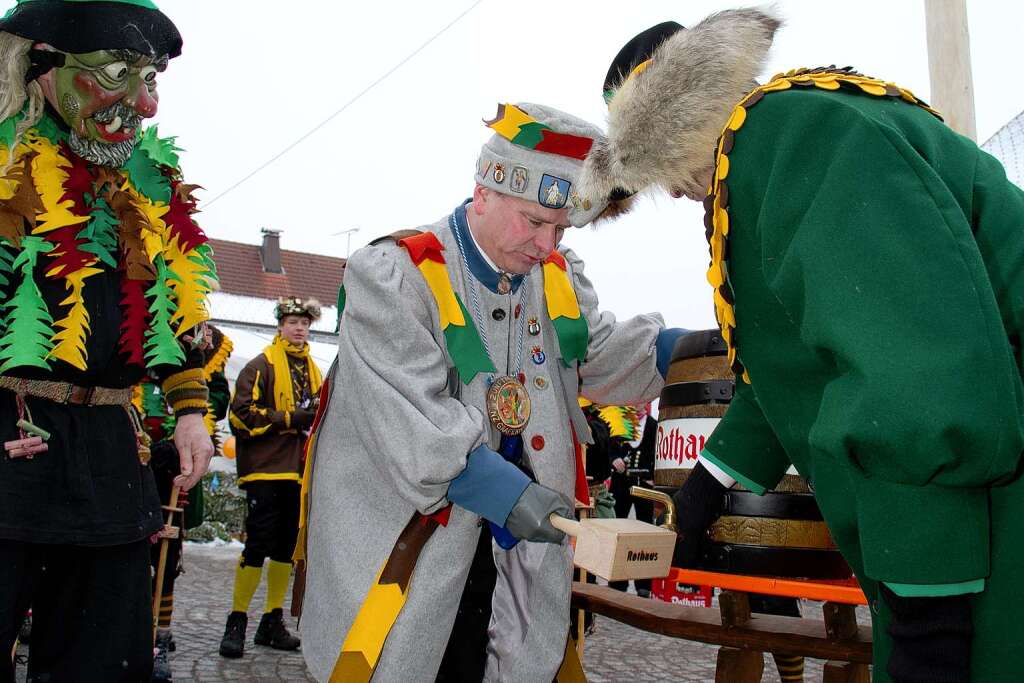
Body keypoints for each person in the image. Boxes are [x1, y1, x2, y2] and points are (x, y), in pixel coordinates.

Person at [579, 9, 1024, 682]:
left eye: (655, 168)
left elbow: (911, 373)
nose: (666, 191)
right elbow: (793, 359)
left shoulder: (793, 136)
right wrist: (711, 482)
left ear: (673, 120)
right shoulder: (767, 147)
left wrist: (930, 596)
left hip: (995, 493)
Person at [299, 102, 684, 682]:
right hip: (410, 549)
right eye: (534, 222)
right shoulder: (393, 275)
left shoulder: (552, 275)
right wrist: (508, 493)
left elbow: (594, 357)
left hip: (514, 554)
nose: (546, 244)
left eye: (559, 228)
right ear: (484, 193)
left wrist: (684, 350)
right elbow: (414, 423)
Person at [0, 1, 216, 680]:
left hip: (111, 461)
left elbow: (175, 316)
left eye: (150, 79)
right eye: (117, 73)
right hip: (9, 440)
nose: (142, 105)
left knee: (106, 663)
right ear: (41, 68)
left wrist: (189, 409)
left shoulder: (150, 189)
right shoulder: (5, 165)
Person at [219, 297, 322, 658]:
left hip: (297, 472)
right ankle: (237, 620)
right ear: (280, 325)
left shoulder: (314, 371)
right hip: (264, 468)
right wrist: (289, 419)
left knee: (285, 548)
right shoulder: (259, 366)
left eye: (305, 324)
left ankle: (271, 621)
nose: (299, 329)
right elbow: (241, 416)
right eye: (293, 322)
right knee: (258, 543)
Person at [139, 324, 232, 682]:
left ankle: (160, 633)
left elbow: (218, 396)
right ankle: (135, 628)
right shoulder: (149, 320)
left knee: (169, 552)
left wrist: (197, 407)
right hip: (137, 458)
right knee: (134, 552)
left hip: (179, 466)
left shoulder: (213, 344)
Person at [606, 403, 656, 597]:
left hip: (645, 486)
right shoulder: (619, 425)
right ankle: (617, 582)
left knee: (646, 532)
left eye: (642, 402)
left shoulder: (654, 426)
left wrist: (654, 475)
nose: (638, 406)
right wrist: (614, 459)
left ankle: (644, 584)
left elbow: (659, 454)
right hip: (621, 484)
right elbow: (609, 449)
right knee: (619, 530)